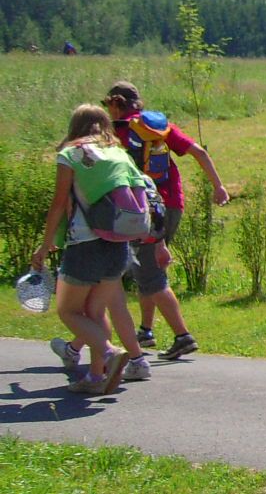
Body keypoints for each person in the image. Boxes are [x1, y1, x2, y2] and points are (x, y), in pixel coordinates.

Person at [102, 80, 230, 362]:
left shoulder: (115, 132)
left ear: (115, 104)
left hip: (141, 209)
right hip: (171, 205)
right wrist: (218, 186)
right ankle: (146, 331)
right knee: (149, 265)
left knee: (149, 272)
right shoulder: (158, 127)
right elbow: (199, 152)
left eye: (107, 104)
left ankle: (183, 336)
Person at [30, 103, 142, 395]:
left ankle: (108, 352)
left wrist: (45, 244)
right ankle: (95, 377)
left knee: (68, 310)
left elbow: (59, 203)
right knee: (94, 311)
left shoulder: (71, 155)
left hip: (84, 243)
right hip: (119, 243)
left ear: (75, 126)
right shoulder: (119, 153)